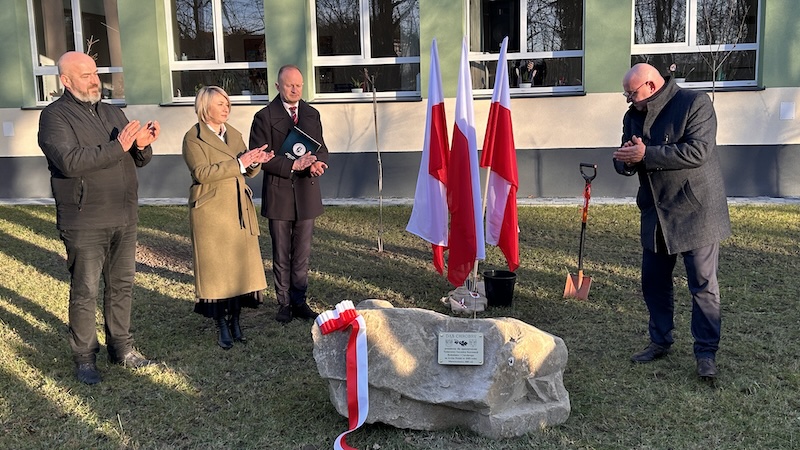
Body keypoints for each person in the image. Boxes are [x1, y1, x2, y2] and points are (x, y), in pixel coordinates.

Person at [38, 51, 161, 385]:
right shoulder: (54, 117)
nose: (95, 81)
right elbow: (70, 162)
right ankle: (85, 357)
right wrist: (120, 146)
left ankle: (121, 347)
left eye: (95, 73)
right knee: (86, 290)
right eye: (86, 75)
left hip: (124, 214)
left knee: (121, 285)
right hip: (84, 219)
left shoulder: (112, 112)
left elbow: (135, 158)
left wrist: (142, 146)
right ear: (65, 80)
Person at [612, 63, 731, 379]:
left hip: (696, 211)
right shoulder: (632, 116)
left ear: (651, 86)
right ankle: (660, 340)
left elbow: (698, 151)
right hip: (656, 211)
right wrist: (625, 162)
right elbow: (629, 155)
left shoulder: (694, 103)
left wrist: (645, 155)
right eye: (626, 95)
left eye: (631, 93)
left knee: (703, 285)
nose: (628, 100)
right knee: (653, 282)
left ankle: (706, 354)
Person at [182, 86, 273, 349]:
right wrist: (241, 163)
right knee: (217, 272)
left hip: (238, 208)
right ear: (205, 107)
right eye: (220, 104)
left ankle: (236, 321)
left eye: (227, 103)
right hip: (211, 211)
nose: (226, 108)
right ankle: (221, 323)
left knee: (238, 269)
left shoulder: (233, 133)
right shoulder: (193, 138)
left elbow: (247, 171)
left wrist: (256, 161)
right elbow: (202, 173)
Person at [249, 64, 329, 324]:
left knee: (302, 253)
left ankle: (299, 300)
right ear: (277, 86)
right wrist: (292, 165)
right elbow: (259, 157)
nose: (295, 90)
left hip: (306, 191)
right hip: (279, 191)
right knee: (282, 252)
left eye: (298, 85)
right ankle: (283, 303)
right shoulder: (263, 117)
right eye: (289, 85)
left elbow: (321, 147)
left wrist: (318, 163)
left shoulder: (312, 114)